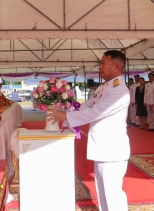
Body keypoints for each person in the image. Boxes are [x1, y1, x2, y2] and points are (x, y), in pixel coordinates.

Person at [47, 50, 130, 211]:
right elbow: (87, 106)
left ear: (116, 66)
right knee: (103, 192)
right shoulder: (105, 87)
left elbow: (95, 112)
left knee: (113, 196)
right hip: (102, 147)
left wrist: (65, 116)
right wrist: (67, 111)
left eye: (103, 63)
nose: (100, 67)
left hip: (112, 149)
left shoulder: (119, 91)